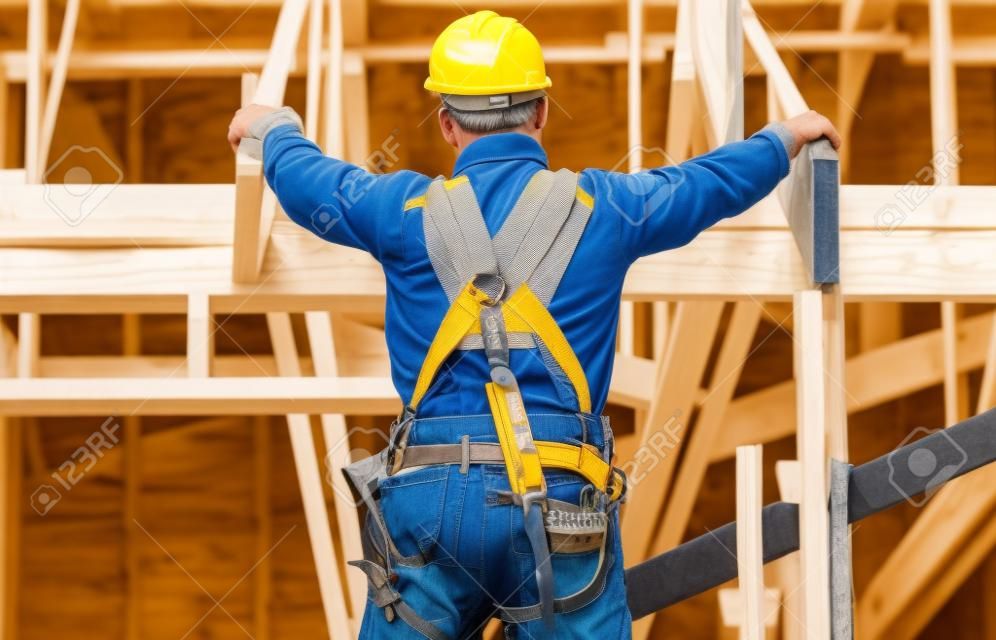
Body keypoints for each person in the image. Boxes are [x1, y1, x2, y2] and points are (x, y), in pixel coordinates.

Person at [227, 10, 841, 639]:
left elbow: (316, 185)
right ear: (542, 113)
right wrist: (782, 139)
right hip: (557, 500)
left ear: (446, 123)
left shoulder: (401, 210)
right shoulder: (605, 208)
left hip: (431, 497)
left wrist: (275, 132)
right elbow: (701, 186)